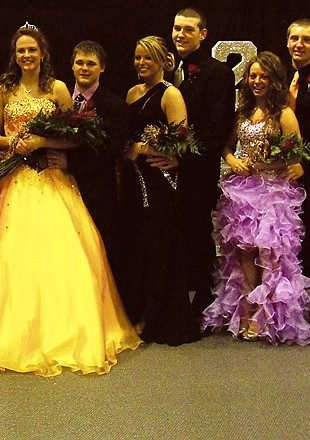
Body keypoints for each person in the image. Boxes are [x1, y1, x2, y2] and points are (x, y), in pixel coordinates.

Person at [0, 25, 141, 377]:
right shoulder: (6, 89)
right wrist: (17, 143)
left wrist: (44, 144)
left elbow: (78, 137)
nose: (26, 56)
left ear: (42, 53)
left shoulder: (58, 89)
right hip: (16, 181)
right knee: (15, 256)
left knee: (63, 251)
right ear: (15, 55)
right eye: (21, 51)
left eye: (32, 50)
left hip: (52, 178)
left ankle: (68, 330)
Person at [201, 52, 310, 345]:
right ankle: (246, 308)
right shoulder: (242, 113)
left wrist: (265, 166)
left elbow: (295, 156)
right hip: (243, 191)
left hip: (273, 193)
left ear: (273, 80)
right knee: (243, 252)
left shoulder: (284, 114)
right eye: (252, 76)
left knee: (269, 254)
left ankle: (264, 315)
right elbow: (226, 147)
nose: (256, 81)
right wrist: (233, 159)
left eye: (263, 76)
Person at [122, 36, 201, 346]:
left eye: (148, 59)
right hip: (133, 179)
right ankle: (138, 311)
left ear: (162, 62)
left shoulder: (171, 94)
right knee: (138, 246)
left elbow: (182, 141)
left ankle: (158, 318)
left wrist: (146, 148)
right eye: (138, 58)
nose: (141, 63)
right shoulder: (132, 93)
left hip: (158, 181)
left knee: (158, 247)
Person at [171, 8, 236, 315]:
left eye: (187, 29)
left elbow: (217, 128)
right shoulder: (169, 70)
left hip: (197, 170)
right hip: (167, 172)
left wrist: (180, 157)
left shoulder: (218, 73)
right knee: (175, 233)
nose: (180, 34)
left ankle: (204, 299)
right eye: (176, 29)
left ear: (203, 34)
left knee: (197, 232)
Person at [64, 40, 129, 291]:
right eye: (80, 62)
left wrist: (69, 160)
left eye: (91, 64)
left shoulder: (114, 105)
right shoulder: (59, 101)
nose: (85, 68)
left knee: (99, 251)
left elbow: (112, 150)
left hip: (98, 192)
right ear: (72, 66)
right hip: (60, 188)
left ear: (102, 67)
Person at [285, 19, 310, 332]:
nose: (299, 45)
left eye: (306, 40)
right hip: (287, 178)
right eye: (294, 38)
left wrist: (308, 163)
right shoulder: (287, 78)